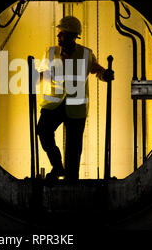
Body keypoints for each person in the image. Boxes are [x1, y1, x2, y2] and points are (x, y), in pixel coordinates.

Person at [36, 16, 114, 182]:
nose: (58, 37)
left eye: (61, 34)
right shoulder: (50, 52)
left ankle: (71, 180)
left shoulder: (86, 54)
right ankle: (58, 166)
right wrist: (35, 77)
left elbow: (97, 71)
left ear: (72, 36)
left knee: (73, 147)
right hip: (53, 104)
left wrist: (105, 75)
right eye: (58, 34)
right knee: (43, 130)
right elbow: (43, 74)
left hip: (76, 106)